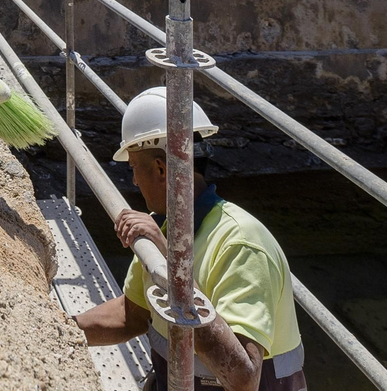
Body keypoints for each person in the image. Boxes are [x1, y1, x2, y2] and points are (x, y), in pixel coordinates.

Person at [75, 88, 306, 391]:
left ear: (160, 169)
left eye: (134, 167)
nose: (133, 180)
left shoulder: (240, 245)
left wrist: (170, 262)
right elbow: (130, 317)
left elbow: (243, 376)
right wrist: (58, 328)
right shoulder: (166, 227)